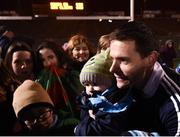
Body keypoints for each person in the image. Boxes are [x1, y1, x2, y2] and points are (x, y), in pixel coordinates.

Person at [109, 21, 180, 136]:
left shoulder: (174, 104)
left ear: (151, 59)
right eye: (112, 58)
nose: (112, 69)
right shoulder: (118, 80)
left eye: (123, 60)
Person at [75, 49, 135, 136]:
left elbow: (102, 129)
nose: (90, 89)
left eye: (95, 84)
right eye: (87, 85)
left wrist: (78, 129)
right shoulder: (89, 99)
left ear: (111, 83)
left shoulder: (117, 103)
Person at [12, 80, 79, 135]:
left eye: (42, 113)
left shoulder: (73, 127)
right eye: (30, 118)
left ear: (51, 110)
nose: (37, 121)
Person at [36, 40, 83, 118]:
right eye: (42, 60)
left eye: (51, 57)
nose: (47, 63)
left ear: (58, 56)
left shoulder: (72, 75)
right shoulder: (39, 79)